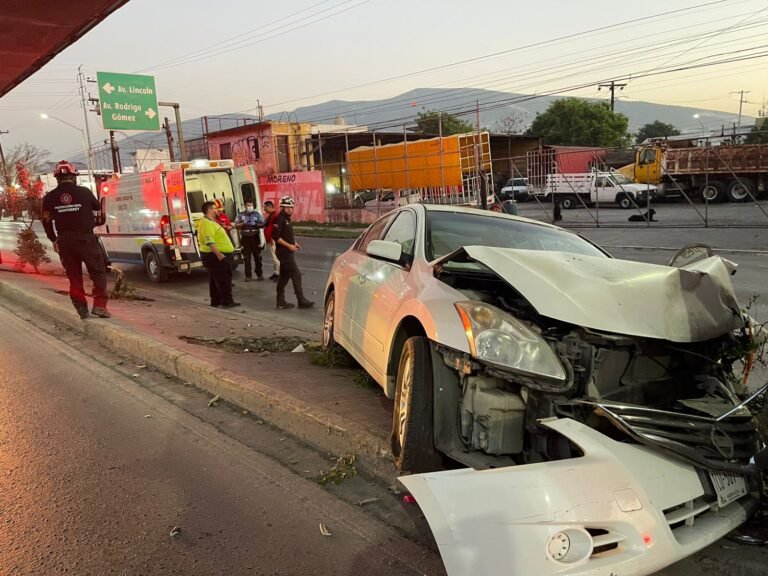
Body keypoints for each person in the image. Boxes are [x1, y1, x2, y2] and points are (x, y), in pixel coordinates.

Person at [41, 160, 110, 319]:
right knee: (98, 272)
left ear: (57, 178)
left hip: (65, 242)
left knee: (74, 277)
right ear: (74, 176)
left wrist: (54, 239)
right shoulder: (84, 192)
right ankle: (99, 306)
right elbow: (97, 208)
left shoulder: (49, 198)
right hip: (86, 239)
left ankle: (81, 309)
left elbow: (46, 221)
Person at [272, 196, 314, 310]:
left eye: (291, 207)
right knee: (296, 274)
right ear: (282, 207)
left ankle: (280, 302)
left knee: (284, 277)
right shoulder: (279, 219)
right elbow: (276, 237)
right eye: (287, 207)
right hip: (283, 252)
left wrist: (294, 243)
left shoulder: (287, 219)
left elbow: (287, 235)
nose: (290, 209)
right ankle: (301, 300)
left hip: (288, 251)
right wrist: (289, 246)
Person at [197, 200, 240, 308]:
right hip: (215, 256)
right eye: (215, 208)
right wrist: (219, 255)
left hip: (215, 255)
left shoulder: (210, 221)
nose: (218, 210)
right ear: (209, 210)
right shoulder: (207, 223)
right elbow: (209, 241)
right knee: (223, 279)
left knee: (215, 278)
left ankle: (216, 301)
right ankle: (227, 301)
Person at [234, 200, 264, 282]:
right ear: (245, 206)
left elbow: (262, 224)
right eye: (248, 205)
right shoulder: (240, 215)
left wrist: (255, 224)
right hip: (245, 238)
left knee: (258, 257)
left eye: (251, 205)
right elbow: (236, 225)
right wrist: (243, 224)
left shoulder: (257, 214)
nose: (250, 207)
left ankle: (259, 274)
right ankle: (248, 275)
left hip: (255, 237)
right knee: (247, 258)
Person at [263, 200, 280, 282]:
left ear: (270, 207)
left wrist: (272, 238)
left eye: (265, 207)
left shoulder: (276, 215)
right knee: (274, 258)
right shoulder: (271, 215)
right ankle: (276, 272)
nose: (264, 209)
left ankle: (279, 274)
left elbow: (276, 229)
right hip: (270, 239)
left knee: (276, 258)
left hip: (273, 240)